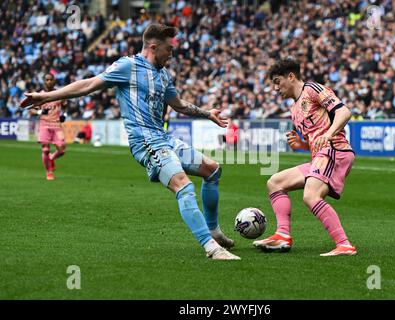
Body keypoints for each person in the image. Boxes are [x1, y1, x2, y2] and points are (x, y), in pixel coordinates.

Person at [20, 24, 240, 261]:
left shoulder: (163, 75)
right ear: (153, 47)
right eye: (169, 49)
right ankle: (211, 248)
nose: (172, 54)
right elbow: (88, 85)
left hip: (163, 138)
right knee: (183, 186)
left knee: (213, 170)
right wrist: (47, 96)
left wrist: (207, 113)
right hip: (145, 142)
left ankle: (214, 231)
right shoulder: (128, 66)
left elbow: (178, 105)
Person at [253, 59, 357, 257]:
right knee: (275, 182)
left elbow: (344, 112)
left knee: (310, 196)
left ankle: (344, 245)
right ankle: (283, 235)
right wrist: (302, 145)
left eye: (277, 81)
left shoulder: (313, 89)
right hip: (322, 154)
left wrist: (329, 134)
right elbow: (314, 141)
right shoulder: (295, 108)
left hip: (335, 149)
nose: (275, 88)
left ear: (291, 76)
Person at [31, 73, 67, 180]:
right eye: (47, 80)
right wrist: (40, 111)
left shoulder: (59, 94)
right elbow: (32, 110)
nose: (49, 82)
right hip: (44, 125)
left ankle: (51, 158)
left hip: (56, 125)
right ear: (44, 81)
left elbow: (65, 107)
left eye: (51, 80)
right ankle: (49, 172)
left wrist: (64, 115)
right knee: (45, 149)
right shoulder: (39, 95)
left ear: (54, 81)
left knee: (61, 150)